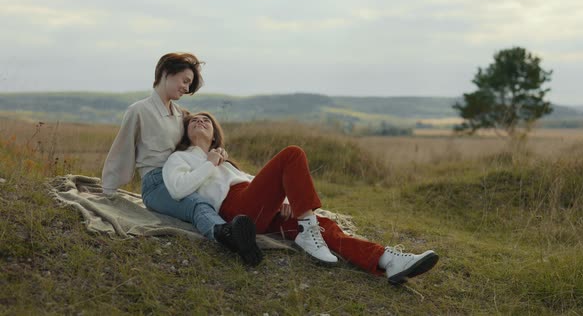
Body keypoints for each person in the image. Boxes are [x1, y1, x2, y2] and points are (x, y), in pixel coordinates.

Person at [162, 112, 439, 285]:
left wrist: (284, 200)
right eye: (194, 121)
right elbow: (177, 189)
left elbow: (260, 185)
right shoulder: (180, 158)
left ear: (214, 134)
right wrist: (209, 162)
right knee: (292, 153)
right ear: (186, 132)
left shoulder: (228, 163)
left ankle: (387, 261)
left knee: (325, 226)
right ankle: (308, 230)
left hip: (263, 210)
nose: (200, 122)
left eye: (206, 120)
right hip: (236, 210)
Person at [101, 53, 262, 266]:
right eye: (185, 81)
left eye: (190, 84)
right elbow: (121, 149)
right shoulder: (139, 110)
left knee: (210, 200)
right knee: (197, 204)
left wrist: (219, 153)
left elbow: (200, 140)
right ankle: (225, 233)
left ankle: (239, 231)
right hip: (157, 183)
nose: (187, 89)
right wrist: (109, 190)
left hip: (183, 175)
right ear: (167, 73)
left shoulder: (180, 114)